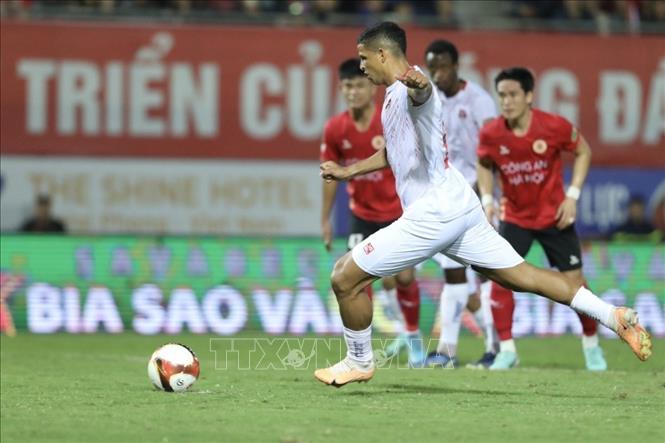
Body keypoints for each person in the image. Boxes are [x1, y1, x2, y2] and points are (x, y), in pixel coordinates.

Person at [314, 21, 651, 388]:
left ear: (382, 54)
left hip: (434, 212)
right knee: (523, 276)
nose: (361, 66)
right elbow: (395, 151)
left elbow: (423, 93)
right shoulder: (392, 95)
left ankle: (358, 361)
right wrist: (348, 171)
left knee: (344, 277)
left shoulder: (414, 86)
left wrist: (420, 84)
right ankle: (613, 316)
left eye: (364, 58)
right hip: (459, 203)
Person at [476, 67, 607, 371]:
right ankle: (507, 350)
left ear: (529, 96)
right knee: (501, 278)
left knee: (575, 286)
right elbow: (483, 163)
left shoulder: (553, 126)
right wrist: (487, 200)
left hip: (554, 218)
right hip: (515, 218)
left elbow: (583, 151)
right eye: (502, 95)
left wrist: (572, 195)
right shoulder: (491, 133)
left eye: (513, 95)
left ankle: (591, 346)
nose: (506, 101)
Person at [320, 58, 425, 367]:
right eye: (347, 86)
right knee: (357, 279)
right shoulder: (335, 128)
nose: (352, 92)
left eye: (358, 85)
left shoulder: (387, 120)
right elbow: (329, 174)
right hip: (362, 216)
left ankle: (413, 338)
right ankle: (362, 349)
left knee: (403, 276)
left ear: (371, 88)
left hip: (396, 211)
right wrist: (325, 219)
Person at [421, 39, 499, 370]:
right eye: (431, 68)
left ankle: (484, 348)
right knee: (456, 278)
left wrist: (487, 195)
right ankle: (457, 349)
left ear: (455, 66)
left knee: (479, 276)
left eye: (441, 67)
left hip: (476, 199)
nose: (436, 74)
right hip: (443, 200)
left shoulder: (479, 101)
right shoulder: (430, 101)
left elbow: (494, 151)